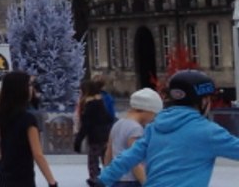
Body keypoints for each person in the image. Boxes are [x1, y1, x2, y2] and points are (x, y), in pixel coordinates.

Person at [97, 70, 239, 187]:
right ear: (203, 101)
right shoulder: (209, 132)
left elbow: (127, 158)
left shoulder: (154, 128)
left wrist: (103, 179)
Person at [0, 71, 57, 187]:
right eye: (29, 85)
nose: (32, 88)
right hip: (23, 178)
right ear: (21, 89)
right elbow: (38, 154)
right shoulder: (28, 119)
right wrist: (52, 182)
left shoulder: (2, 116)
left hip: (5, 178)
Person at [102, 87, 162, 187]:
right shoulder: (136, 129)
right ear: (147, 110)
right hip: (130, 181)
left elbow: (109, 152)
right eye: (154, 115)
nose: (154, 119)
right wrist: (146, 183)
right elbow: (135, 161)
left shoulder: (118, 124)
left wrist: (108, 175)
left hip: (116, 178)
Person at [75, 79, 115, 180]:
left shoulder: (89, 105)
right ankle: (108, 178)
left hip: (95, 137)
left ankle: (95, 179)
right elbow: (109, 118)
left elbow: (86, 124)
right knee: (106, 158)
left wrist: (78, 140)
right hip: (105, 135)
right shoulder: (100, 102)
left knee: (93, 160)